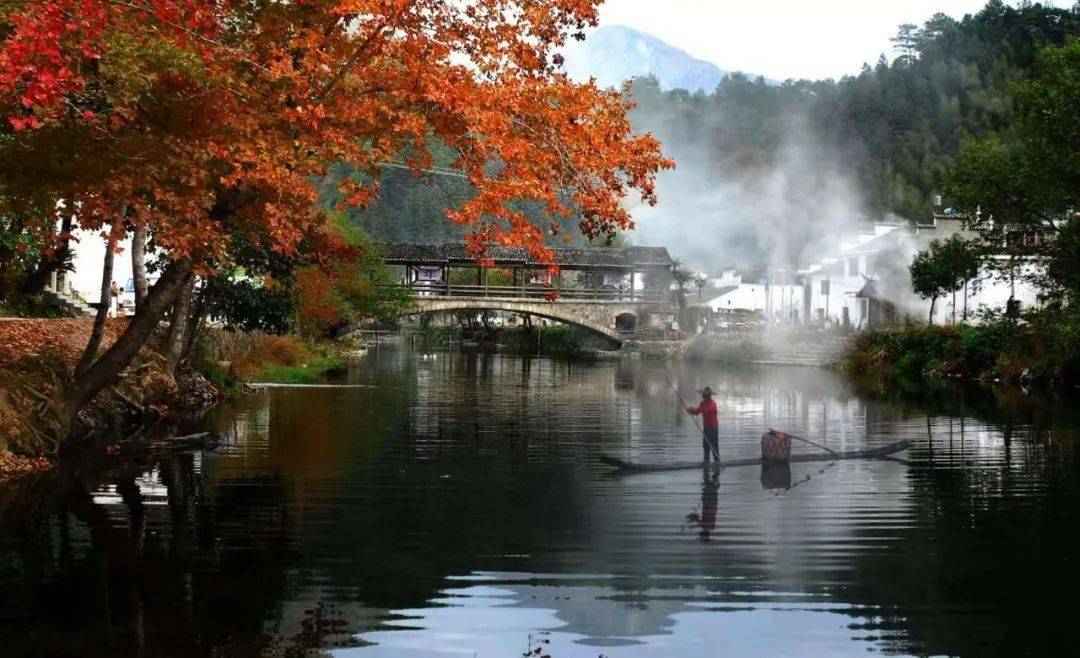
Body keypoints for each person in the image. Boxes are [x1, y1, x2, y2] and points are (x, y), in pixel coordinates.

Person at [686, 386, 720, 465]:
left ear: (708, 396)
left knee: (713, 444)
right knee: (705, 444)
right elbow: (697, 412)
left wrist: (693, 409)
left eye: (705, 396)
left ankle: (717, 460)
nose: (703, 397)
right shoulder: (703, 403)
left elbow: (706, 410)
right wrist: (690, 411)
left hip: (713, 427)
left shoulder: (713, 404)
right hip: (706, 426)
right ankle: (706, 460)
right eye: (703, 396)